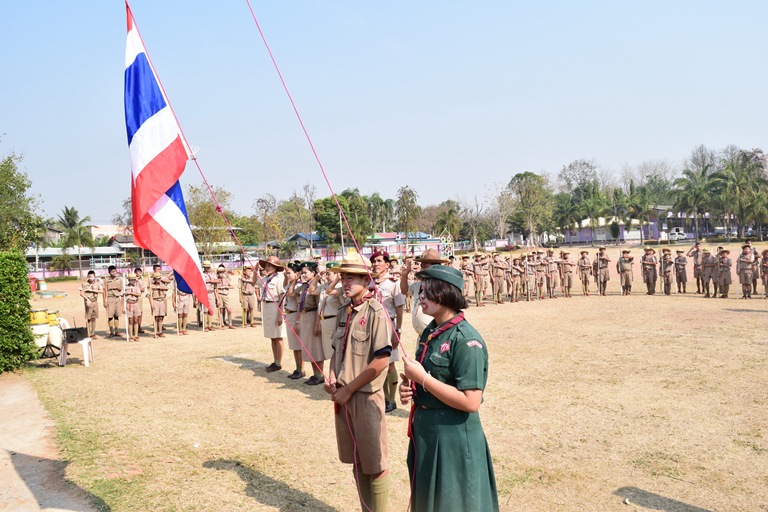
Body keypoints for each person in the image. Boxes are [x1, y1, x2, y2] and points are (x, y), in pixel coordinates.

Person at [398, 265, 498, 512]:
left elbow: (470, 402)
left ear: (442, 294)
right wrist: (409, 386)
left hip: (452, 438)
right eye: (419, 291)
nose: (419, 297)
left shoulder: (465, 339)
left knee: (453, 503)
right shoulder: (431, 331)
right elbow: (427, 378)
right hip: (426, 432)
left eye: (425, 291)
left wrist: (423, 380)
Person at [324, 253, 392, 512]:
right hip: (343, 397)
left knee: (375, 463)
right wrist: (331, 378)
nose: (345, 281)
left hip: (364, 396)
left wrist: (350, 388)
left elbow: (380, 362)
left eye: (350, 277)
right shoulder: (343, 311)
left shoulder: (376, 312)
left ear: (366, 279)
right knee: (357, 460)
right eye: (342, 276)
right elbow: (336, 353)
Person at [369, 251, 405, 413]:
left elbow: (399, 308)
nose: (376, 264)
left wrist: (398, 330)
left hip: (388, 325)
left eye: (379, 261)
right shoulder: (370, 282)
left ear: (387, 263)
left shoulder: (393, 283)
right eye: (374, 261)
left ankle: (392, 399)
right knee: (378, 363)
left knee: (390, 364)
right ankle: (383, 396)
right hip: (373, 325)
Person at [400, 249, 448, 336]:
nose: (422, 269)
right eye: (421, 266)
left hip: (436, 334)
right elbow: (404, 290)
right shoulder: (419, 284)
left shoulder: (441, 286)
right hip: (422, 336)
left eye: (425, 266)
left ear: (435, 267)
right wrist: (404, 275)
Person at [297, 261, 328, 386]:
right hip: (305, 317)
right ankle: (315, 374)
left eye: (305, 272)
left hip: (313, 315)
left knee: (315, 348)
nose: (303, 275)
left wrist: (317, 324)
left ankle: (319, 375)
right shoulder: (304, 286)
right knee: (309, 347)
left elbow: (319, 306)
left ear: (314, 273)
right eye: (302, 272)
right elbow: (291, 292)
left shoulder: (316, 287)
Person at [259, 256, 287, 372]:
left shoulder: (278, 279)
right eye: (266, 265)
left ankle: (278, 362)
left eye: (270, 265)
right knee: (272, 336)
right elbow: (255, 281)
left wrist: (280, 314)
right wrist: (256, 269)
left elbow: (282, 296)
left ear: (276, 268)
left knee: (278, 336)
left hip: (275, 306)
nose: (267, 267)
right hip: (266, 306)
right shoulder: (266, 279)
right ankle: (275, 360)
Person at [283, 262, 305, 379]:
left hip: (295, 316)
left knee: (298, 346)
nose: (287, 275)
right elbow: (285, 288)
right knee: (294, 346)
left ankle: (301, 369)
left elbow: (298, 306)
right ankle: (297, 368)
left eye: (289, 273)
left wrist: (297, 322)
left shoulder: (297, 287)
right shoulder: (290, 284)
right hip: (289, 315)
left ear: (296, 274)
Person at [103, 265, 125, 338]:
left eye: (115, 271)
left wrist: (115, 287)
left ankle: (117, 331)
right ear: (109, 272)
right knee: (110, 316)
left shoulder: (119, 279)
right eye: (112, 271)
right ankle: (111, 331)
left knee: (117, 315)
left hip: (117, 298)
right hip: (110, 298)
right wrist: (105, 301)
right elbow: (104, 291)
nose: (114, 273)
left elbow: (121, 289)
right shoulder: (106, 280)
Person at [79, 270, 102, 338]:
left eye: (92, 276)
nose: (90, 278)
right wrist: (87, 299)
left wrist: (92, 290)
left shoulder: (97, 283)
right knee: (88, 318)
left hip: (95, 301)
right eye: (89, 276)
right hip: (88, 302)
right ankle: (88, 333)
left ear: (94, 277)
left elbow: (101, 291)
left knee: (94, 318)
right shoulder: (85, 284)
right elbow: (81, 293)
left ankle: (93, 333)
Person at [216, 265, 236, 329]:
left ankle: (230, 323)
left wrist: (226, 287)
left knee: (229, 309)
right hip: (219, 295)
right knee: (221, 309)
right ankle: (221, 323)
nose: (221, 274)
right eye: (219, 272)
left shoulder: (226, 279)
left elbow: (232, 286)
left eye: (222, 272)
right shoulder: (216, 280)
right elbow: (215, 289)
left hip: (226, 295)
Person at [150, 272, 169, 337]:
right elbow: (149, 295)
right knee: (156, 317)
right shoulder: (151, 285)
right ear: (154, 279)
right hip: (155, 300)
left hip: (161, 300)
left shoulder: (162, 284)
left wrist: (158, 288)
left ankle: (160, 331)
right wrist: (152, 304)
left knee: (161, 316)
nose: (158, 280)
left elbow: (166, 288)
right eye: (157, 279)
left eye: (159, 278)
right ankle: (156, 331)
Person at [124, 273, 142, 342]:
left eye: (134, 280)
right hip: (129, 304)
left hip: (135, 303)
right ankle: (131, 335)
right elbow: (123, 296)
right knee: (130, 320)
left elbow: (139, 294)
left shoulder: (136, 287)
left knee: (136, 320)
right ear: (129, 280)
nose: (133, 281)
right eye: (132, 280)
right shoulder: (125, 287)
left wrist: (131, 293)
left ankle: (136, 335)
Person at [202, 261, 219, 331]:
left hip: (212, 292)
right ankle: (205, 325)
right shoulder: (202, 274)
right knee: (205, 310)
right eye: (206, 267)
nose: (208, 268)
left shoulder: (212, 274)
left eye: (208, 266)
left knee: (211, 309)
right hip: (205, 293)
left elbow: (217, 280)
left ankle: (210, 324)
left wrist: (210, 281)